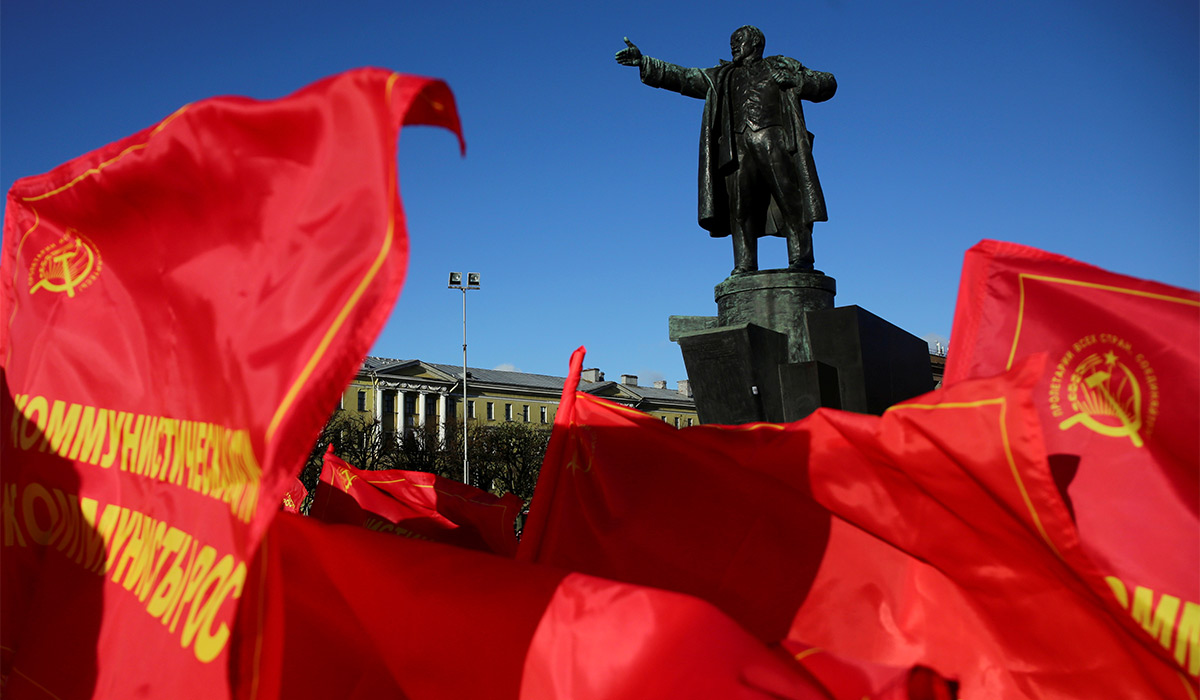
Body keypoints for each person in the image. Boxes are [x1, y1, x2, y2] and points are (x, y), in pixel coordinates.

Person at [616, 26, 836, 275]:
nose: (733, 45)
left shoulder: (779, 64)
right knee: (740, 207)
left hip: (774, 140)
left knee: (790, 199)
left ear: (755, 43)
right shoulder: (723, 76)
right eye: (732, 41)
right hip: (736, 148)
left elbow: (827, 83)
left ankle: (801, 259)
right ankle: (745, 264)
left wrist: (798, 80)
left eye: (738, 40)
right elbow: (685, 77)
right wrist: (645, 62)